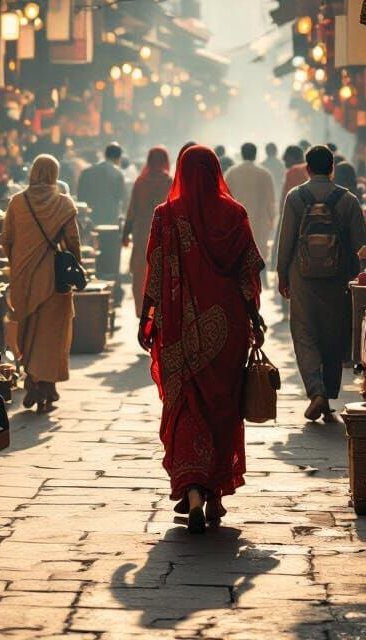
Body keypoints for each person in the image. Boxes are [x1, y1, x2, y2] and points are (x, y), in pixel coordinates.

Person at [139, 146, 265, 533]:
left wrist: (147, 319)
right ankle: (214, 497)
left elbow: (155, 273)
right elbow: (249, 274)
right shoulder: (235, 215)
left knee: (186, 406)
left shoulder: (166, 216)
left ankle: (192, 490)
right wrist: (254, 318)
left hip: (180, 328)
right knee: (222, 407)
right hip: (226, 329)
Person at [275, 145, 366, 422]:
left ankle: (315, 389)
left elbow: (287, 239)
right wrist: (356, 276)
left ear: (307, 168)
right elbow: (361, 246)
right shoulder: (348, 200)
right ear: (332, 169)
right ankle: (327, 392)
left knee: (304, 332)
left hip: (302, 277)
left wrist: (282, 274)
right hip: (337, 277)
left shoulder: (295, 197)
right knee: (332, 333)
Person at [2, 155, 82, 413]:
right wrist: (74, 267)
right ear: (54, 174)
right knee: (52, 335)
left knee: (28, 328)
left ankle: (34, 379)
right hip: (54, 279)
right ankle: (45, 383)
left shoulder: (16, 202)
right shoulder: (63, 203)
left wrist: (20, 262)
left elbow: (6, 240)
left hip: (23, 279)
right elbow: (73, 242)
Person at [122, 147, 172, 316]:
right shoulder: (168, 182)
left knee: (141, 270)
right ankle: (159, 309)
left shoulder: (140, 182)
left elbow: (132, 210)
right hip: (163, 233)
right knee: (161, 269)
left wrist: (125, 234)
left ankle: (142, 309)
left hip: (142, 233)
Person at [224, 143, 276, 263]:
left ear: (242, 154)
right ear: (255, 154)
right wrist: (272, 220)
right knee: (259, 255)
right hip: (260, 222)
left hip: (237, 222)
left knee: (240, 256)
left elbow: (225, 198)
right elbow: (271, 201)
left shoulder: (232, 173)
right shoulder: (265, 174)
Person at [77, 142, 127, 226]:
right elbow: (122, 197)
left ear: (105, 155)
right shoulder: (118, 173)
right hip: (111, 218)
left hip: (90, 218)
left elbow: (80, 196)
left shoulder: (86, 172)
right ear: (119, 158)